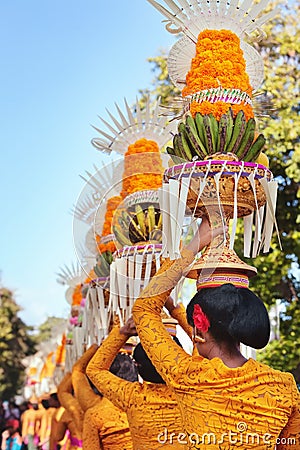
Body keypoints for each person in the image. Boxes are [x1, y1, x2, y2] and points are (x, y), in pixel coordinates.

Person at [132, 217, 300, 449]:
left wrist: (194, 246)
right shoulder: (283, 386)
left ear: (199, 327)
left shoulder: (187, 375)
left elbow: (144, 309)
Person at [86, 304, 191, 450]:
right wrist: (174, 309)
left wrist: (122, 333)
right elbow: (200, 340)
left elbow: (94, 369)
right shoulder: (195, 388)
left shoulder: (133, 397)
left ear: (137, 366)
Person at [72, 345, 137, 450]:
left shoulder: (95, 413)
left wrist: (96, 347)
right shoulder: (149, 403)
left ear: (102, 379)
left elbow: (77, 371)